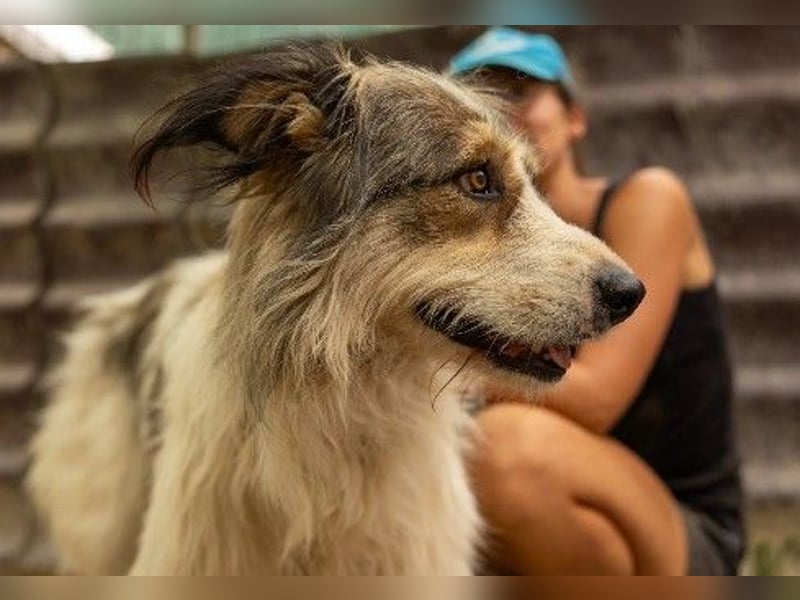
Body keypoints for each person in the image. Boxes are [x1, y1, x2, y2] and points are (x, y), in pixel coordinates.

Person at [448, 27, 745, 575]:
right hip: (555, 515)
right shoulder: (474, 257)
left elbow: (596, 400)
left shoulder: (649, 198)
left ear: (575, 117)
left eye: (520, 92)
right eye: (479, 100)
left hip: (678, 528)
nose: (501, 111)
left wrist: (424, 357)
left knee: (504, 450)